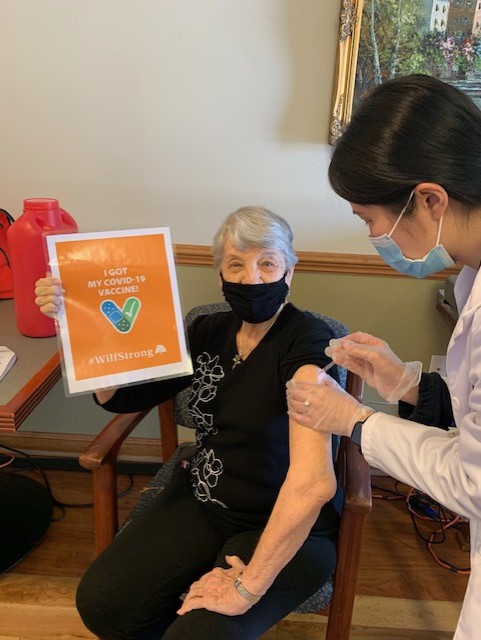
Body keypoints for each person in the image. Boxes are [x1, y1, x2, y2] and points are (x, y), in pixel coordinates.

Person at [35, 206, 341, 640]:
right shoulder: (206, 330)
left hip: (282, 522)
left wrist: (246, 587)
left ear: (290, 270)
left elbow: (312, 484)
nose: (251, 278)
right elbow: (124, 396)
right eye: (235, 263)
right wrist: (75, 325)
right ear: (220, 273)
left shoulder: (308, 342)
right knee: (104, 606)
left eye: (267, 263)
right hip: (204, 498)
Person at [286, 74, 481, 640]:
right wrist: (408, 383)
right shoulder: (470, 277)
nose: (374, 236)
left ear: (428, 199)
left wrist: (357, 421)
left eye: (369, 220)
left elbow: (473, 481)